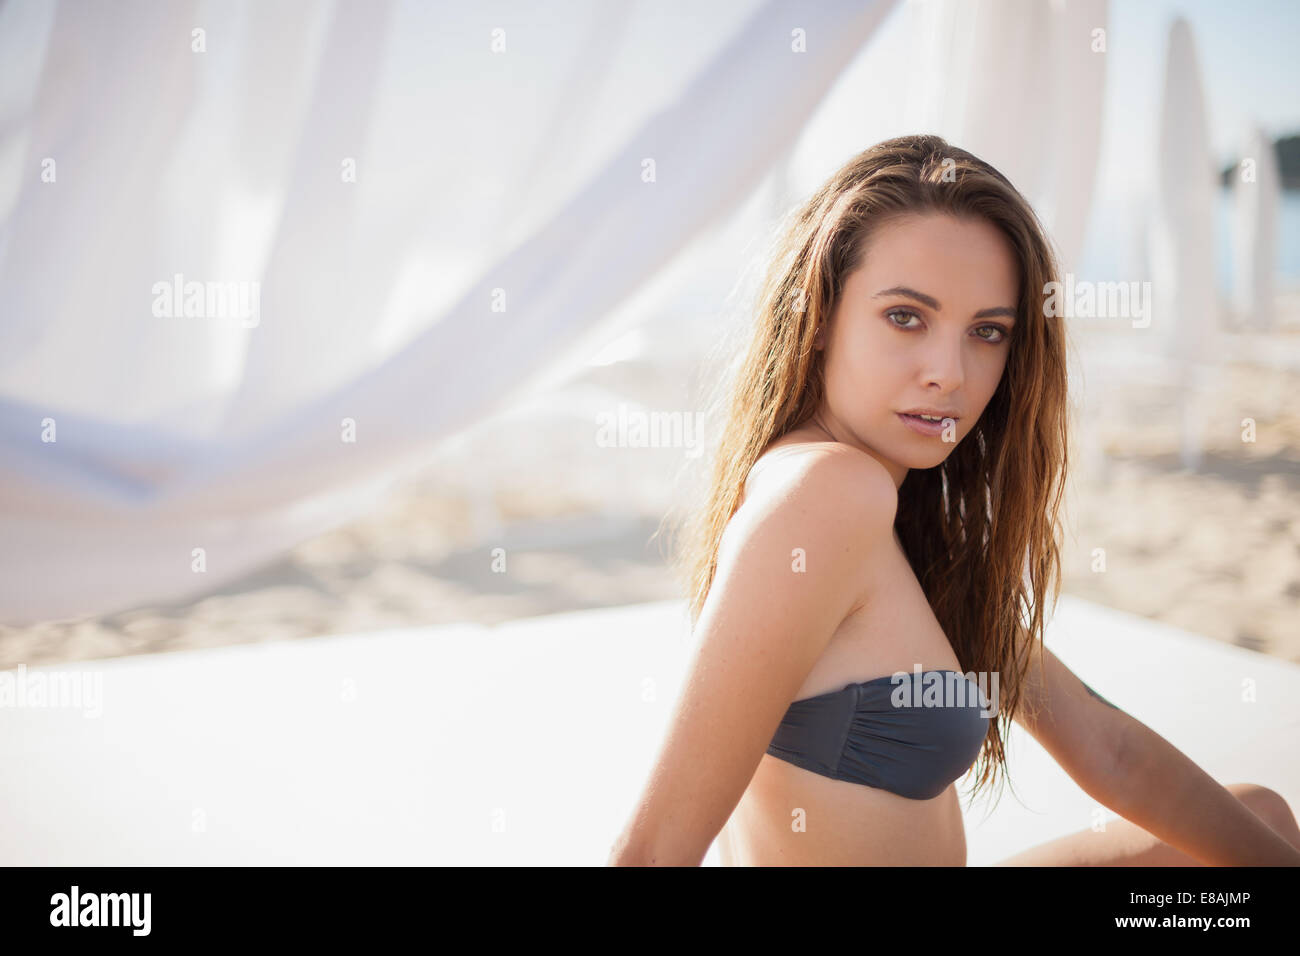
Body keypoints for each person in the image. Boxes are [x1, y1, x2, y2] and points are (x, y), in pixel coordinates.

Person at [607, 134, 1300, 866]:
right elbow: (652, 851)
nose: (950, 372)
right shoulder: (831, 493)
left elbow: (1108, 748)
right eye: (905, 316)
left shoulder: (895, 515)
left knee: (1260, 823)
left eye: (987, 331)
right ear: (816, 317)